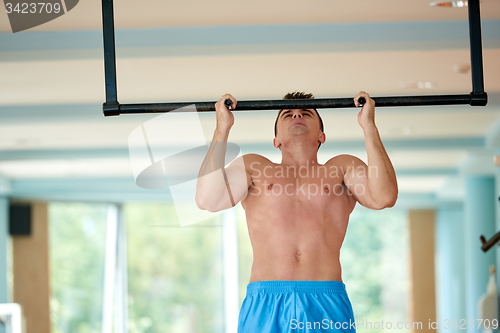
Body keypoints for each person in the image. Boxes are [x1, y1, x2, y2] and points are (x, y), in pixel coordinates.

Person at [196, 91, 398, 332]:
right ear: (276, 139)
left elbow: (383, 197)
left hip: (325, 299)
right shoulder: (255, 167)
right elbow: (207, 199)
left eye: (306, 113)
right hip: (266, 300)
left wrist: (368, 126)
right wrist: (222, 129)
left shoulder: (342, 168)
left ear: (322, 135)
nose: (297, 115)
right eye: (287, 114)